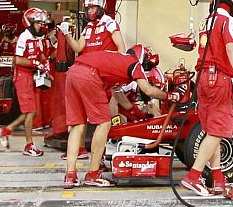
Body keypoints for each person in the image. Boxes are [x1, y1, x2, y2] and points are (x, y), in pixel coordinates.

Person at [63, 45, 172, 188]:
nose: (146, 69)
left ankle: (70, 175)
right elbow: (148, 90)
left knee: (78, 125)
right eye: (147, 64)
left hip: (73, 72)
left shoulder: (118, 59)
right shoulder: (134, 64)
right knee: (103, 124)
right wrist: (169, 96)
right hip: (90, 75)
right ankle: (93, 173)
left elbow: (117, 95)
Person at [179, 0, 233, 197]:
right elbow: (230, 49)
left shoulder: (205, 22)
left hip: (203, 80)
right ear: (232, 5)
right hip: (219, 80)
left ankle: (217, 178)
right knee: (218, 131)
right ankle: (194, 176)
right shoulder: (226, 20)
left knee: (211, 132)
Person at [0, 7, 53, 157]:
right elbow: (18, 59)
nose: (41, 26)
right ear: (29, 23)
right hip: (23, 77)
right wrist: (36, 63)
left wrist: (45, 63)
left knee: (32, 111)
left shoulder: (35, 37)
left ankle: (7, 130)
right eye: (38, 23)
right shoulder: (24, 37)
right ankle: (29, 145)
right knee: (30, 112)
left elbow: (39, 54)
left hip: (32, 76)